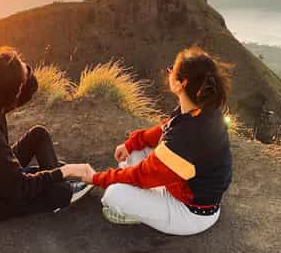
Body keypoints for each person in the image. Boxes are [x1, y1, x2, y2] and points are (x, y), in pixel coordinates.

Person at [75, 46, 233, 236]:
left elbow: (141, 175)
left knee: (113, 195)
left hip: (191, 214)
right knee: (134, 152)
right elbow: (165, 128)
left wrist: (95, 178)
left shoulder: (184, 140)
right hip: (190, 188)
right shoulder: (204, 108)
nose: (169, 73)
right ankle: (142, 193)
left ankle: (136, 210)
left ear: (181, 83)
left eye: (171, 70)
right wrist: (131, 144)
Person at [0, 46, 92, 223]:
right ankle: (60, 190)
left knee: (38, 135)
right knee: (61, 192)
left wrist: (22, 70)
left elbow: (31, 87)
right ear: (6, 92)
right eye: (17, 86)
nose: (19, 90)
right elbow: (21, 189)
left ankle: (58, 182)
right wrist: (66, 171)